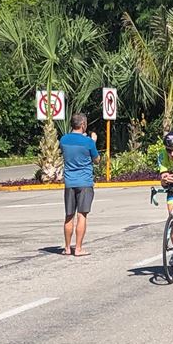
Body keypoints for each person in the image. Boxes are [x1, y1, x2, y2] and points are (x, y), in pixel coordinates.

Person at [58, 110, 99, 257]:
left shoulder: (63, 140)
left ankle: (67, 247)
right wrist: (93, 141)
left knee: (69, 215)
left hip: (69, 182)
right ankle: (79, 248)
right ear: (83, 124)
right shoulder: (88, 142)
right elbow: (96, 159)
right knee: (82, 215)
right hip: (84, 181)